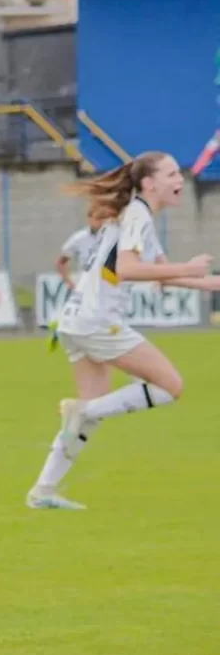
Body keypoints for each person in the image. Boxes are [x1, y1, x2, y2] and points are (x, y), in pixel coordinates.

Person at [27, 151, 220, 510]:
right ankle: (80, 412)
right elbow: (128, 269)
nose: (180, 180)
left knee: (92, 410)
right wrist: (189, 269)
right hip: (98, 320)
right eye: (172, 174)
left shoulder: (137, 215)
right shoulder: (138, 217)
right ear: (149, 183)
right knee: (170, 386)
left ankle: (43, 491)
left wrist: (206, 282)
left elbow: (159, 273)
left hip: (76, 319)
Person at [56, 208, 105, 290]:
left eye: (103, 218)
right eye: (97, 218)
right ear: (89, 219)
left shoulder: (113, 237)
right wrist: (69, 283)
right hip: (86, 286)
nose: (100, 222)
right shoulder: (79, 238)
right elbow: (61, 262)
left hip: (109, 286)